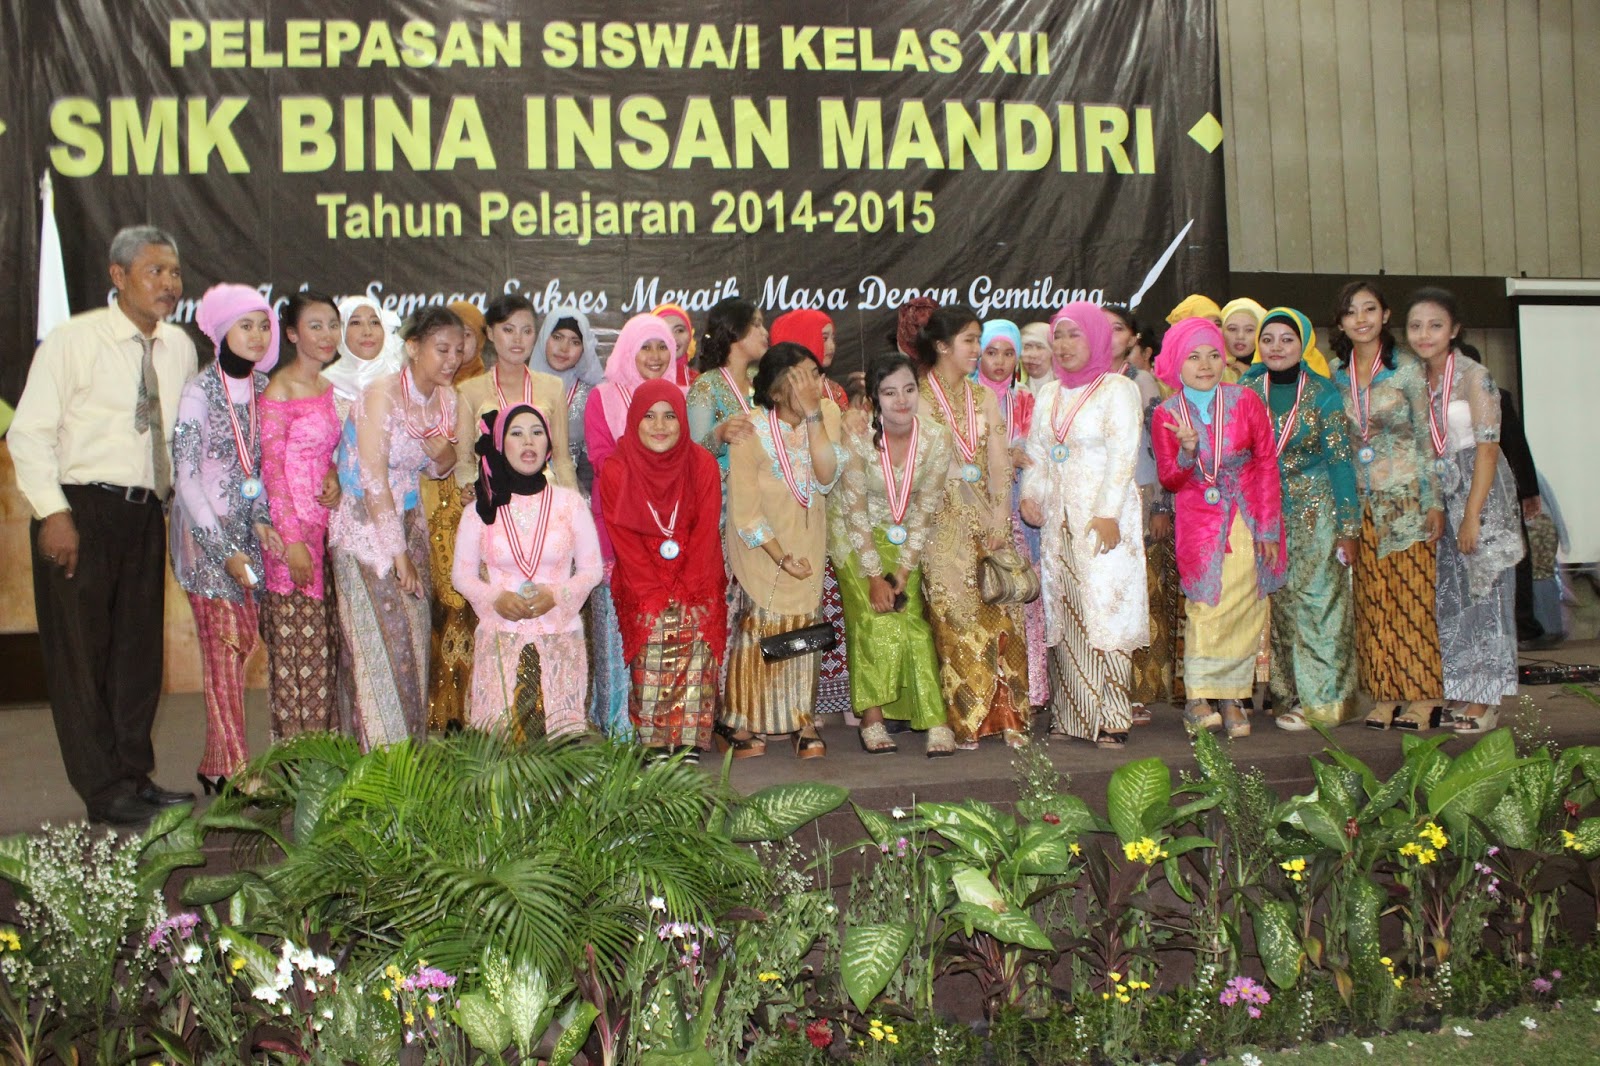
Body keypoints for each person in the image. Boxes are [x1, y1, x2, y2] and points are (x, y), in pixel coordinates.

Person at [11, 225, 198, 825]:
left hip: (146, 513)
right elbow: (29, 433)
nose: (168, 284)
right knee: (82, 657)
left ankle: (134, 776)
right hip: (80, 510)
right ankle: (102, 789)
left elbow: (181, 440)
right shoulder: (74, 340)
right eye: (154, 271)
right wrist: (53, 513)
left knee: (137, 654)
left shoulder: (179, 347)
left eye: (174, 273)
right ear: (118, 277)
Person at [328, 305, 462, 749]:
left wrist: (444, 455)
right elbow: (372, 479)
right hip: (365, 532)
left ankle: (410, 759)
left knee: (412, 646)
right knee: (375, 649)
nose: (451, 359)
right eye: (442, 349)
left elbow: (438, 469)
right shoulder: (380, 395)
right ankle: (375, 761)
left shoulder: (446, 400)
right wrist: (398, 554)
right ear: (413, 347)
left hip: (408, 522)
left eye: (458, 350)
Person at [170, 285, 284, 792]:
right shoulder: (198, 392)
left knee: (240, 647)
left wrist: (260, 519)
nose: (257, 336)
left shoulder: (265, 390)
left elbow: (260, 470)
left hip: (250, 534)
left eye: (263, 325)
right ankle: (238, 772)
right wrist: (223, 549)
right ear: (221, 332)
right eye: (246, 326)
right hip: (206, 537)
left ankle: (215, 763)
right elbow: (186, 477)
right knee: (225, 646)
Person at [1019, 303, 1148, 748]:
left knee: (1105, 611)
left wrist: (1109, 513)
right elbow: (1038, 453)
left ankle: (1112, 716)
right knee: (1065, 610)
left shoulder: (1117, 389)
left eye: (1075, 334)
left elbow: (1123, 455)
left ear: (1095, 338)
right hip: (1059, 521)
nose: (1064, 344)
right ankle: (1071, 715)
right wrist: (1031, 495)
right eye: (1059, 335)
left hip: (1103, 519)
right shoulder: (1049, 394)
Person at [1153, 318, 1285, 739]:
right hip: (1199, 519)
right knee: (1205, 604)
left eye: (1213, 355)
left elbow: (1266, 463)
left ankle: (1231, 697)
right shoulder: (1166, 414)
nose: (1205, 365)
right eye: (1193, 357)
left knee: (1245, 602)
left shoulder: (1245, 400)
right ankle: (1198, 697)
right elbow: (1170, 479)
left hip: (1247, 514)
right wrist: (1188, 452)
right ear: (1177, 363)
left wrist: (1268, 528)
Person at [1327, 281, 1446, 731]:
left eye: (1369, 309)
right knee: (1373, 601)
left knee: (1414, 598)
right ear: (1340, 322)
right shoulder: (1336, 374)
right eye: (1351, 312)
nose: (1361, 319)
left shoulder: (1409, 369)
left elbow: (1428, 438)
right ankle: (1385, 693)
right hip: (1362, 502)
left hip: (1407, 497)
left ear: (1385, 315)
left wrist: (1434, 501)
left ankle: (1425, 695)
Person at [1404, 289, 1523, 732]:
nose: (1424, 334)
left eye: (1435, 325)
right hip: (1443, 487)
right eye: (1416, 326)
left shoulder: (1475, 376)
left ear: (1454, 329)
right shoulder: (1416, 379)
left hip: (1481, 489)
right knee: (1452, 595)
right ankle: (1462, 686)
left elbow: (1489, 448)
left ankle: (1486, 698)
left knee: (1486, 592)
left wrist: (1473, 514)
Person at [719, 343, 845, 759]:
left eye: (815, 374)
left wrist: (813, 416)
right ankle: (740, 719)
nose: (813, 384)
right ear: (775, 390)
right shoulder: (750, 430)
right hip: (762, 547)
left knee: (804, 629)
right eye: (801, 377)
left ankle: (800, 718)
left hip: (809, 540)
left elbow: (826, 477)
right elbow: (745, 509)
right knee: (762, 628)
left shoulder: (827, 414)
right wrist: (779, 555)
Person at [915, 305, 1031, 752]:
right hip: (941, 525)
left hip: (988, 523)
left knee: (1002, 611)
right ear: (942, 346)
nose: (977, 349)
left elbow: (999, 463)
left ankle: (1010, 715)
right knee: (955, 618)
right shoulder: (918, 397)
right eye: (969, 340)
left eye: (978, 339)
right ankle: (968, 719)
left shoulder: (983, 398)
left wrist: (1000, 519)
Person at [1239, 308, 1362, 730]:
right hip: (1264, 512)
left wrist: (1348, 528)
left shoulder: (1323, 393)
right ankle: (1289, 695)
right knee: (1281, 604)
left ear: (1304, 344)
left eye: (1287, 339)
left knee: (1319, 601)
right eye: (1268, 339)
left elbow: (1341, 463)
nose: (1276, 347)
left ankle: (1325, 701)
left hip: (1316, 509)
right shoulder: (1246, 389)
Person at [452, 403, 601, 737]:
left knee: (560, 744)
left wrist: (557, 595)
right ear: (500, 443)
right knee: (500, 746)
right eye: (517, 434)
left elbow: (592, 570)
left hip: (559, 638)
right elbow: (461, 577)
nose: (529, 442)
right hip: (501, 636)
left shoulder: (571, 503)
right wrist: (495, 598)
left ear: (549, 445)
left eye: (537, 433)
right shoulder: (479, 509)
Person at [831, 354, 952, 755]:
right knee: (874, 616)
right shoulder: (858, 437)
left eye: (909, 390)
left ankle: (935, 720)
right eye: (889, 393)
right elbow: (853, 509)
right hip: (854, 538)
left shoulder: (936, 438)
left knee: (913, 622)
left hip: (904, 544)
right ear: (873, 400)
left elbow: (926, 506)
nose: (901, 401)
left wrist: (902, 571)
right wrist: (873, 576)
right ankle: (872, 719)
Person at [599, 380, 728, 757]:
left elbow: (706, 531)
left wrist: (689, 588)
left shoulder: (702, 464)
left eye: (670, 416)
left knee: (695, 637)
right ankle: (655, 742)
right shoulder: (617, 469)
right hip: (642, 578)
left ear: (682, 420)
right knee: (652, 644)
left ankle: (688, 740)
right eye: (649, 416)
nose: (660, 425)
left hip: (697, 572)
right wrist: (654, 593)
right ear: (634, 421)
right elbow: (623, 539)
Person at [586, 313, 684, 738]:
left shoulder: (681, 395)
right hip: (616, 527)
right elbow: (601, 460)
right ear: (628, 350)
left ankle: (661, 728)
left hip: (671, 531)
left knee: (666, 633)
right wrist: (654, 478)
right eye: (646, 346)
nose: (656, 356)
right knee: (616, 630)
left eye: (663, 346)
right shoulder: (603, 397)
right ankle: (618, 728)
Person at [259, 291, 343, 742]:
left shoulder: (330, 388)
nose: (327, 335)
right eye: (315, 326)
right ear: (292, 334)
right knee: (296, 652)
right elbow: (272, 472)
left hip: (327, 532)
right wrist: (291, 542)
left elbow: (329, 451)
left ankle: (325, 761)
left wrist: (333, 474)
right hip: (291, 539)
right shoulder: (279, 390)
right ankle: (295, 762)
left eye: (332, 324)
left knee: (324, 651)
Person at [770, 308, 854, 717]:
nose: (831, 345)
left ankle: (827, 695)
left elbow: (834, 464)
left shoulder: (833, 395)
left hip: (827, 514)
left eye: (832, 336)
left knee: (828, 608)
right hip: (780, 520)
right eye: (822, 336)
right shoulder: (770, 395)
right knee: (785, 610)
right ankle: (793, 702)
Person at [419, 299, 489, 733]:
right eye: (449, 337)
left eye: (468, 335)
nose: (458, 347)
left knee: (476, 608)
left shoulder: (487, 388)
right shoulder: (425, 389)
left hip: (477, 509)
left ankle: (476, 708)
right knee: (440, 609)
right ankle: (442, 710)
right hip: (431, 510)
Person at [1105, 304, 1173, 724]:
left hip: (1139, 496)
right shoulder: (1081, 380)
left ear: (1133, 338)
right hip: (1099, 501)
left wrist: (1161, 505)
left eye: (1117, 329)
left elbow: (1158, 444)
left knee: (1141, 593)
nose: (1108, 335)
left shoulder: (1140, 380)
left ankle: (1138, 690)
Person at [978, 319, 1047, 711]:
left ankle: (1029, 690)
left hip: (1020, 511)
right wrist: (1005, 456)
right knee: (985, 595)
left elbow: (1041, 452)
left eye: (1008, 353)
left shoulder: (1027, 400)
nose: (1000, 362)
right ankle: (985, 692)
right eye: (991, 352)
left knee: (1023, 595)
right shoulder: (968, 399)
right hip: (978, 507)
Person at [456, 294, 575, 491]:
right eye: (508, 330)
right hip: (491, 497)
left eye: (527, 331)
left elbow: (562, 460)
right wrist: (471, 491)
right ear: (490, 333)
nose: (518, 339)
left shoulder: (554, 387)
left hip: (543, 496)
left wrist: (573, 503)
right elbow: (464, 461)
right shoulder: (469, 391)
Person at [528, 305, 606, 497]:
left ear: (584, 348)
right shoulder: (520, 385)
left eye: (575, 342)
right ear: (544, 338)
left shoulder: (592, 395)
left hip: (571, 494)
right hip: (518, 493)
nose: (564, 348)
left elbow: (591, 464)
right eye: (557, 337)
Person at [685, 297, 766, 476]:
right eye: (756, 324)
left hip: (767, 487)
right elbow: (693, 456)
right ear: (734, 329)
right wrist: (719, 434)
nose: (765, 332)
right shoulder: (706, 386)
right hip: (724, 491)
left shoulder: (762, 379)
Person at [322, 295, 405, 422]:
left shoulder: (402, 378)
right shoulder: (323, 385)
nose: (367, 332)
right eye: (356, 323)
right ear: (341, 331)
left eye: (374, 322)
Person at [1219, 298, 1267, 382]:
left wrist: (1250, 380)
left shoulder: (1272, 370)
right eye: (1232, 329)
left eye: (1249, 330)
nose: (1240, 336)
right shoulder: (1210, 369)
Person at [653, 301, 699, 386]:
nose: (673, 338)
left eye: (679, 330)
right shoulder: (634, 381)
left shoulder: (700, 383)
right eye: (664, 330)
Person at [1019, 321, 1054, 394]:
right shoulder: (1015, 389)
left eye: (1040, 347)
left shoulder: (1065, 389)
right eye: (1027, 347)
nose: (1033, 355)